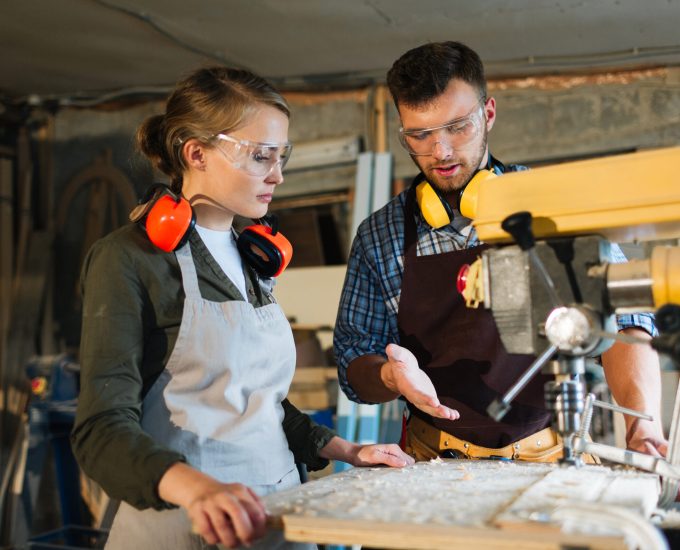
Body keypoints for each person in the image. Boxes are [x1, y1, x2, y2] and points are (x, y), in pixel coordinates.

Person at [71, 66, 414, 550]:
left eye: (281, 156)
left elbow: (259, 404)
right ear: (196, 152)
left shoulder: (253, 257)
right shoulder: (130, 258)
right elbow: (100, 432)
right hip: (185, 522)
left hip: (277, 515)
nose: (277, 174)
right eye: (260, 156)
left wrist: (349, 451)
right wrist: (198, 489)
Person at [334, 41, 666, 464]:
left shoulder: (559, 209)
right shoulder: (380, 235)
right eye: (420, 135)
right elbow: (352, 359)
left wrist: (643, 425)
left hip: (552, 456)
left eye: (458, 127)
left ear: (488, 113)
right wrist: (388, 374)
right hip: (432, 460)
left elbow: (623, 322)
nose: (442, 152)